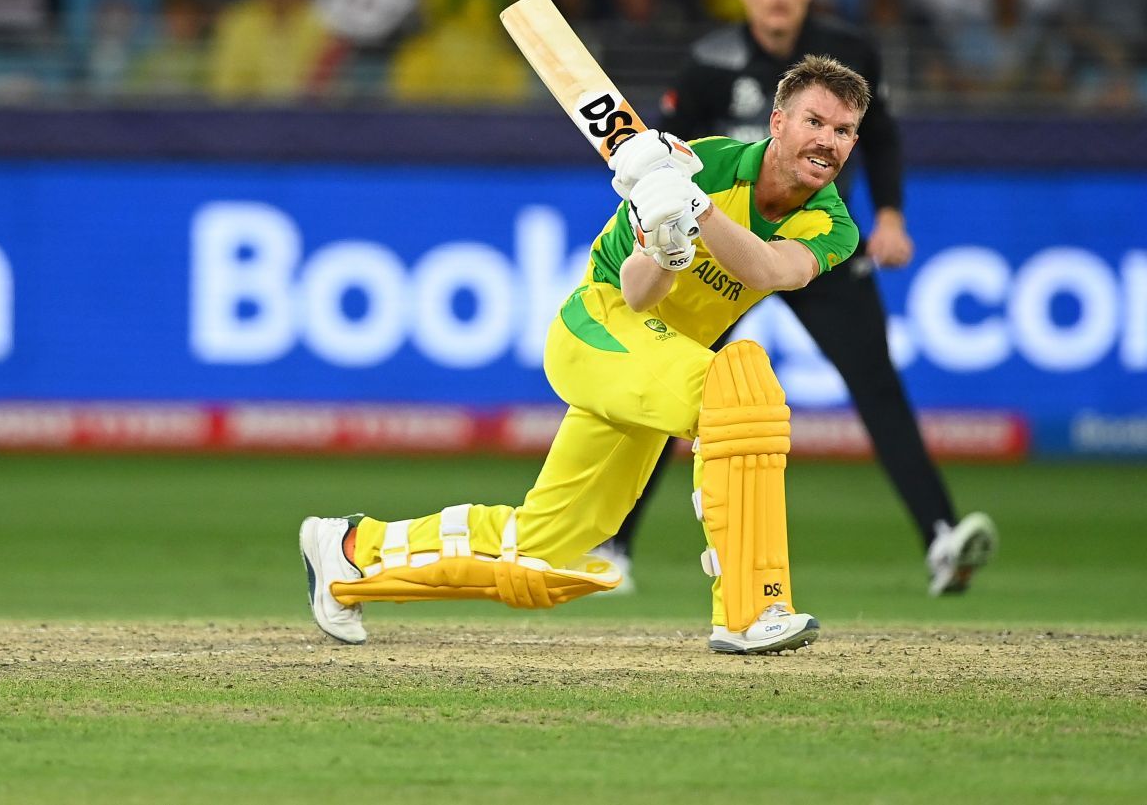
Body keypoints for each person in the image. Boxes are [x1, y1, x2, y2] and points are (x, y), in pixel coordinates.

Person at [303, 57, 875, 654]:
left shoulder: (831, 223)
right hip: (599, 327)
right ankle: (751, 608)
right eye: (815, 121)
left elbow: (769, 268)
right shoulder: (704, 165)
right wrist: (663, 244)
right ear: (778, 122)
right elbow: (636, 291)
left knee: (547, 540)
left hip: (658, 365)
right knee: (735, 391)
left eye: (842, 131)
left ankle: (350, 551)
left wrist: (692, 212)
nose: (826, 141)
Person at [593, 0, 997, 597]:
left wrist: (891, 215)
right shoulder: (709, 60)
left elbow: (886, 135)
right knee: (666, 388)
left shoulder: (851, 56)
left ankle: (941, 538)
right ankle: (613, 546)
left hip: (813, 240)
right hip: (715, 250)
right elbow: (662, 151)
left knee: (876, 383)